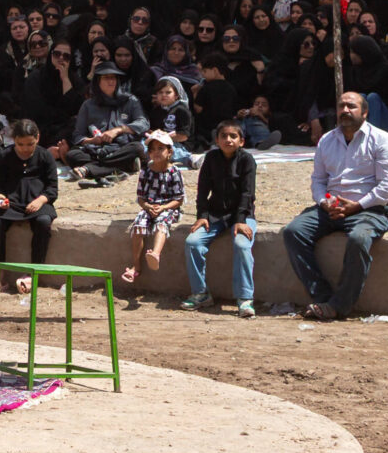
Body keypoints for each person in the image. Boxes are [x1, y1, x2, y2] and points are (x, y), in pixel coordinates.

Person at [281, 90, 388, 322]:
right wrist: (324, 202)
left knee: (358, 239)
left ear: (365, 112)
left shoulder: (383, 140)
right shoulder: (327, 140)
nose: (345, 110)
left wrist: (358, 205)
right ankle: (324, 298)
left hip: (370, 209)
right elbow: (318, 180)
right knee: (293, 232)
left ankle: (340, 305)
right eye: (341, 106)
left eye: (351, 106)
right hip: (331, 207)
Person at [181, 119, 259, 315]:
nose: (228, 140)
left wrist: (241, 220)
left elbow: (247, 193)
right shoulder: (211, 158)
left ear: (241, 141)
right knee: (193, 242)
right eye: (224, 136)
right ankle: (201, 294)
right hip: (215, 216)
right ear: (217, 139)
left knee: (242, 245)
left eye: (233, 136)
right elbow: (202, 191)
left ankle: (245, 298)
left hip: (242, 215)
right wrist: (202, 215)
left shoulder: (247, 160)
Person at [0, 119, 58, 289]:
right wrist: (1, 198)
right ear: (14, 140)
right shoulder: (5, 156)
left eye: (29, 144)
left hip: (38, 203)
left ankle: (34, 272)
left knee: (43, 222)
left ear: (37, 138)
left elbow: (52, 188)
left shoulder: (45, 156)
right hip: (12, 203)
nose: (25, 149)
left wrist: (40, 201)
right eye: (20, 144)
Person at [121, 132, 184, 293]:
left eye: (160, 148)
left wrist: (163, 207)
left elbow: (179, 199)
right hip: (149, 207)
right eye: (152, 149)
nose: (156, 152)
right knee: (138, 226)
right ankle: (136, 266)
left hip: (168, 207)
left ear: (169, 152)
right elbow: (141, 198)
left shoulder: (174, 172)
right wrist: (148, 207)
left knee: (162, 224)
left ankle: (155, 254)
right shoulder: (145, 171)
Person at [66, 63, 149, 182]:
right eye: (106, 77)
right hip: (97, 150)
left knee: (137, 148)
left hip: (122, 148)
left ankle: (88, 169)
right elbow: (78, 135)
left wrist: (119, 130)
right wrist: (93, 140)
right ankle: (122, 167)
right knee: (72, 155)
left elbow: (143, 123)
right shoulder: (88, 105)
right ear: (97, 82)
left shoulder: (130, 101)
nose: (111, 81)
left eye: (114, 77)